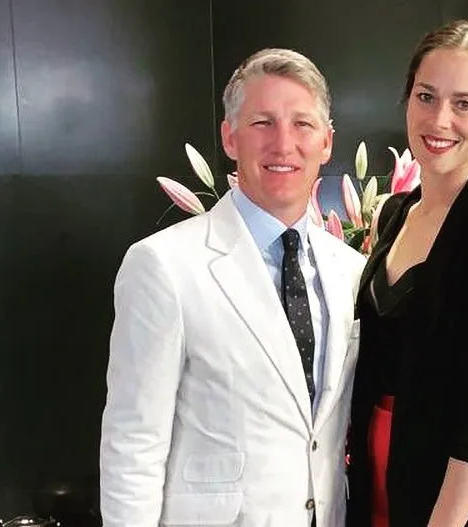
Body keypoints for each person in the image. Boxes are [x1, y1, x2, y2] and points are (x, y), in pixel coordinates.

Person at [100, 48, 366, 527]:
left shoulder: (350, 269)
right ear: (229, 137)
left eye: (302, 124)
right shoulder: (163, 265)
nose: (284, 144)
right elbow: (133, 443)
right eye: (263, 122)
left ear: (326, 142)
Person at [346, 20, 468, 527]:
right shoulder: (394, 214)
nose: (439, 120)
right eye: (426, 96)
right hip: (383, 476)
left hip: (460, 500)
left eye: (464, 104)